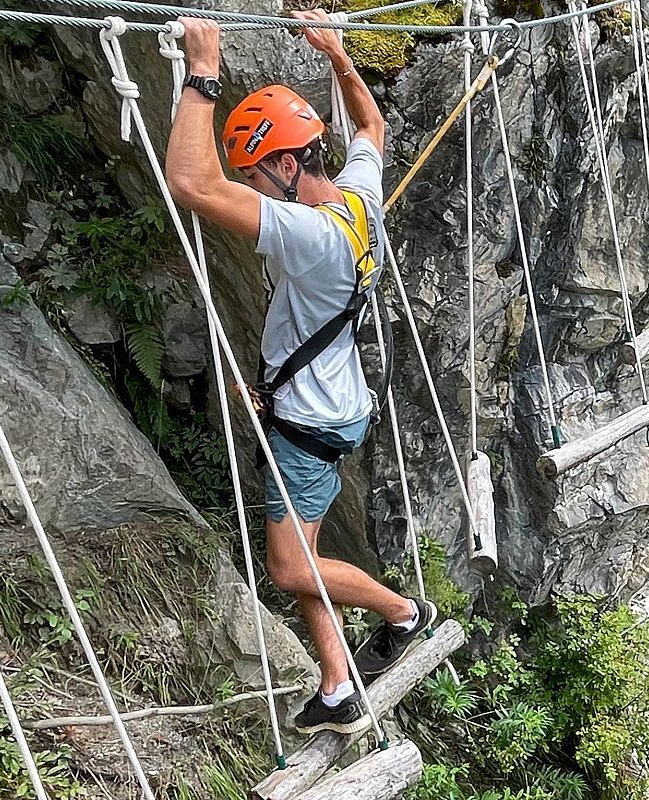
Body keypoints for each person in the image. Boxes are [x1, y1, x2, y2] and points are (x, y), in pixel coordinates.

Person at [167, 15, 430, 736]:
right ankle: (337, 685)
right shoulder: (358, 201)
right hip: (327, 405)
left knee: (288, 570)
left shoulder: (304, 233)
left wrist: (204, 70)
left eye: (256, 173)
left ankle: (404, 611)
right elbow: (370, 124)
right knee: (303, 553)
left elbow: (191, 183)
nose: (254, 187)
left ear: (285, 165)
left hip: (309, 425)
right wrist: (340, 56)